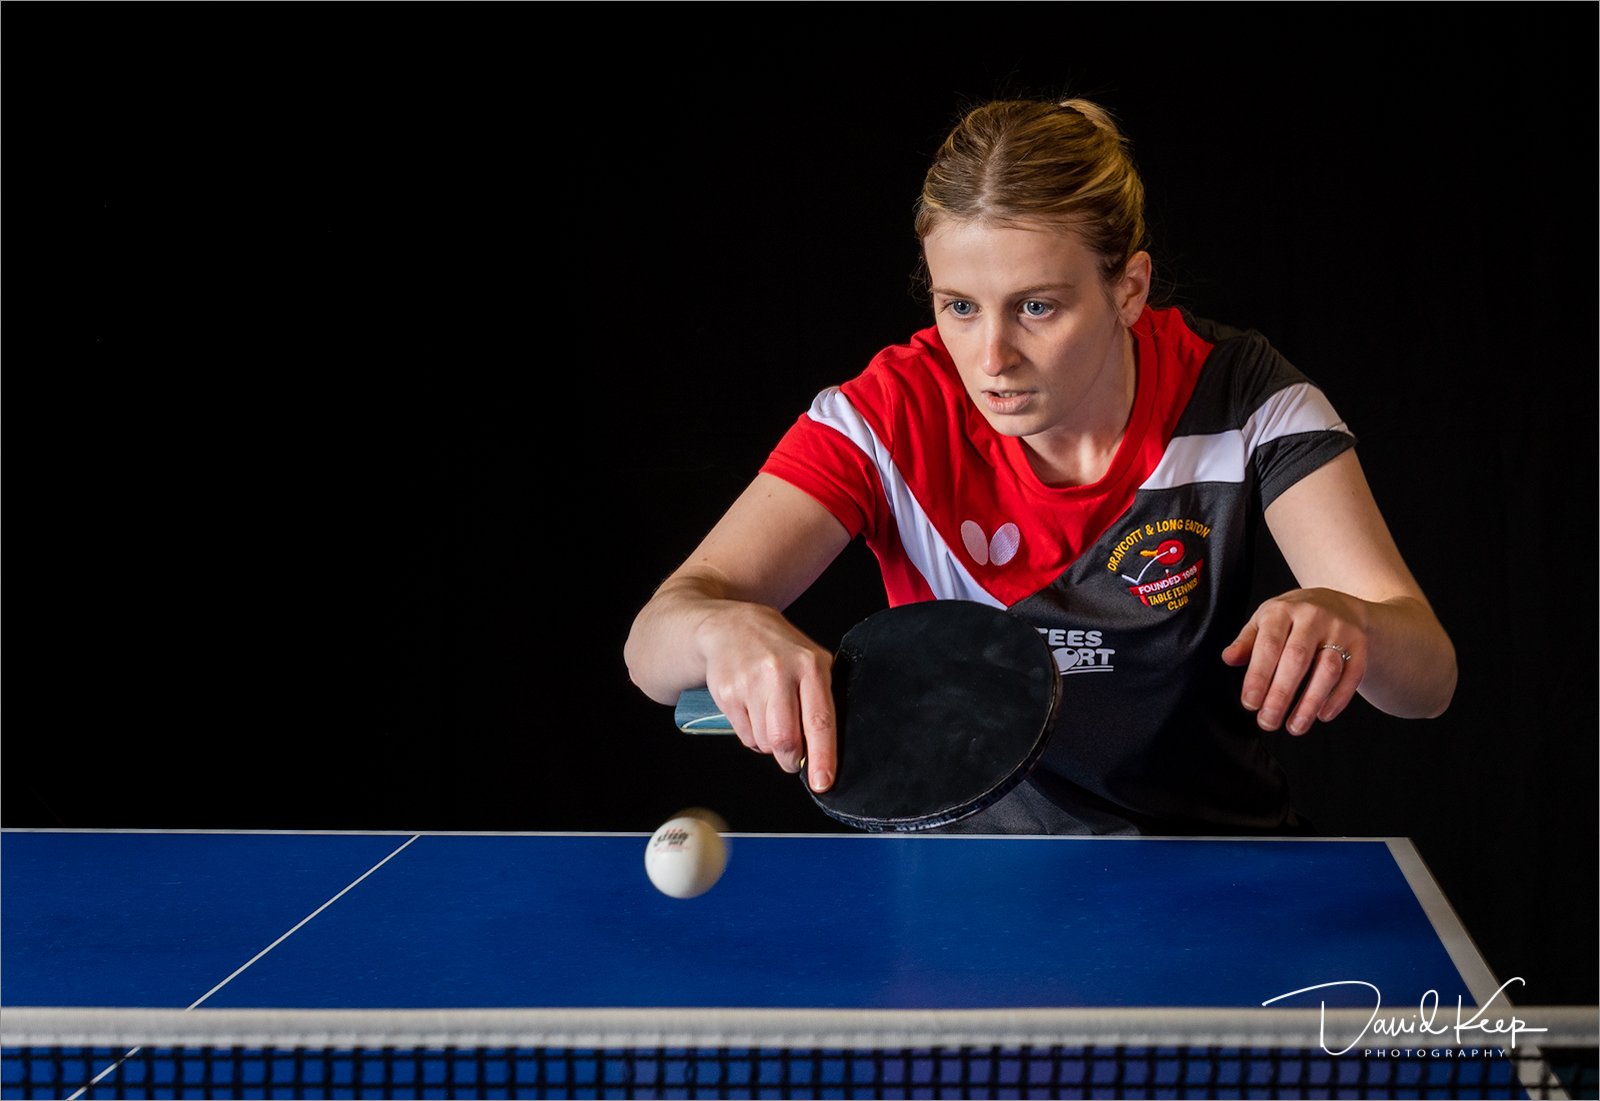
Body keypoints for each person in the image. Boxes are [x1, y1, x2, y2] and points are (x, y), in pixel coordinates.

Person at [624, 97, 1457, 835]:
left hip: (1204, 868)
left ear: (1129, 290)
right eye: (959, 306)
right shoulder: (887, 415)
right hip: (955, 898)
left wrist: (1357, 620)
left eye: (1035, 306)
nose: (991, 358)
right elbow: (651, 645)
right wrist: (718, 626)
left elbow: (1427, 677)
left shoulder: (1244, 397)